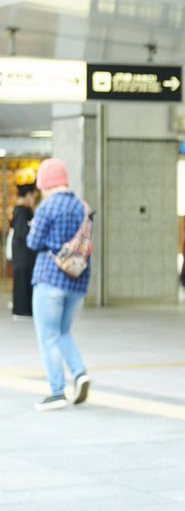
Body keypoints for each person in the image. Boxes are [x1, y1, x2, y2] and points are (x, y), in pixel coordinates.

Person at [25, 158, 91, 411]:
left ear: (46, 183)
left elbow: (33, 242)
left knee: (48, 336)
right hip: (76, 280)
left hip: (49, 277)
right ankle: (79, 373)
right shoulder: (81, 206)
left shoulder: (46, 207)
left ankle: (56, 392)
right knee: (63, 332)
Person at [8, 180, 37, 319]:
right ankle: (22, 310)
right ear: (28, 196)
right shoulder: (23, 212)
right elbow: (24, 234)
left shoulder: (19, 211)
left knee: (22, 282)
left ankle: (22, 309)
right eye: (32, 196)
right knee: (23, 282)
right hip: (24, 256)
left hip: (22, 256)